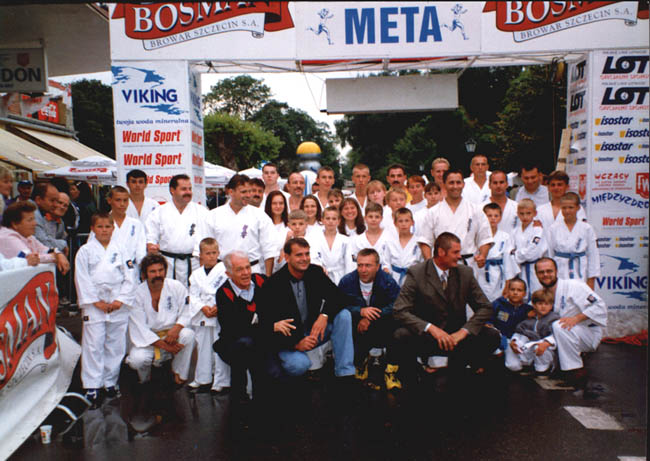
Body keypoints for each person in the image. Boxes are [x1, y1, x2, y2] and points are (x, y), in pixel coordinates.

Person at [392, 233, 500, 386]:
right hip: (428, 337)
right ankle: (414, 379)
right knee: (400, 336)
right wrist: (431, 329)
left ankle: (462, 368)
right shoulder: (417, 272)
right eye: (455, 252)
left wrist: (464, 331)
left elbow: (485, 307)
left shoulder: (465, 273)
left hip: (457, 338)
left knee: (492, 336)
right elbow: (400, 310)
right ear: (441, 252)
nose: (459, 256)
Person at [260, 237, 354, 380]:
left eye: (307, 254)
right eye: (299, 255)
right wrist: (296, 345)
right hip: (289, 340)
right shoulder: (273, 284)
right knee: (300, 365)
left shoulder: (315, 272)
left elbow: (338, 296)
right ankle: (282, 374)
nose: (304, 259)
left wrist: (324, 315)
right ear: (287, 257)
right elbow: (267, 326)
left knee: (344, 315)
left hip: (313, 332)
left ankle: (345, 373)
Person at [75, 212, 136, 406]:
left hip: (117, 302)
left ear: (113, 228)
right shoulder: (85, 251)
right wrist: (95, 301)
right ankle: (92, 385)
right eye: (100, 227)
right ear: (92, 229)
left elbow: (130, 276)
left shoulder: (122, 249)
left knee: (115, 344)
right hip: (95, 303)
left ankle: (110, 382)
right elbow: (82, 278)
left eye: (108, 226)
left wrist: (120, 299)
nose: (104, 230)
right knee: (93, 344)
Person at [125, 253, 196, 385]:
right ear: (144, 274)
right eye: (152, 271)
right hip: (148, 341)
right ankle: (145, 377)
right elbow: (139, 328)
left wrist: (177, 328)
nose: (158, 274)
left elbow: (187, 311)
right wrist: (165, 346)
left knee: (188, 335)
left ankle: (178, 372)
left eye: (160, 270)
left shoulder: (176, 286)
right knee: (137, 360)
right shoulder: (137, 294)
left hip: (171, 336)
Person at [534, 258, 607, 386]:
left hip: (587, 333)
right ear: (536, 274)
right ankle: (555, 367)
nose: (545, 275)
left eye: (549, 271)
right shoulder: (542, 293)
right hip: (565, 334)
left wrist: (576, 318)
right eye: (541, 272)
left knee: (559, 325)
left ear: (556, 271)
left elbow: (599, 306)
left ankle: (575, 370)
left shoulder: (574, 286)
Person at [339, 248, 402, 390]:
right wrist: (360, 311)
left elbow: (397, 305)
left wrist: (371, 317)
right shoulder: (347, 281)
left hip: (382, 322)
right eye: (360, 265)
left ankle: (391, 370)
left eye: (368, 265)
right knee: (345, 322)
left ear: (377, 266)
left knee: (398, 329)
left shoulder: (387, 281)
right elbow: (338, 304)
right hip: (357, 323)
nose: (363, 270)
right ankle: (360, 362)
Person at [214, 251, 267, 403]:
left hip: (261, 339)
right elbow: (235, 329)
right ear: (228, 274)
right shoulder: (223, 293)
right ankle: (240, 397)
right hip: (232, 343)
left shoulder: (261, 281)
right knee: (244, 347)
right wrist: (264, 325)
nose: (245, 273)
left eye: (248, 267)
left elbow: (274, 309)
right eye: (239, 269)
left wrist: (256, 323)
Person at [416, 169, 493, 272]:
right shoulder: (433, 212)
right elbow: (425, 241)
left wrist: (483, 255)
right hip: (442, 265)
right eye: (451, 183)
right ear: (444, 185)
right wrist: (431, 264)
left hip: (468, 263)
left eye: (458, 182)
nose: (455, 186)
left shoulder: (475, 210)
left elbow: (485, 238)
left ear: (463, 184)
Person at [202, 174, 277, 276]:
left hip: (252, 270)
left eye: (249, 191)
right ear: (231, 192)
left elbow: (269, 250)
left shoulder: (260, 216)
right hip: (222, 271)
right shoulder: (213, 216)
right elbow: (204, 248)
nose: (248, 195)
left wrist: (267, 278)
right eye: (243, 192)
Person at [146, 174, 208, 287]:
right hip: (168, 263)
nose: (188, 192)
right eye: (183, 189)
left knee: (193, 293)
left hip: (194, 263)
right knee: (169, 292)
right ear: (172, 190)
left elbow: (208, 239)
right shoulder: (159, 212)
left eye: (189, 189)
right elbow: (151, 237)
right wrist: (151, 245)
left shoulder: (202, 212)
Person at [188, 238, 231, 393]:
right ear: (200, 255)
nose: (211, 256)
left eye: (214, 253)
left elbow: (229, 291)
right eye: (208, 253)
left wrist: (218, 307)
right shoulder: (196, 274)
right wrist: (203, 307)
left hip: (219, 313)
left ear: (219, 253)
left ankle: (221, 381)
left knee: (219, 346)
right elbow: (193, 296)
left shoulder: (225, 271)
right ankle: (202, 378)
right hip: (203, 313)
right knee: (203, 347)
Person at [547, 192, 599, 289]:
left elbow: (593, 255)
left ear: (578, 208)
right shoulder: (553, 228)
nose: (567, 211)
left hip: (580, 269)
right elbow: (550, 254)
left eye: (571, 207)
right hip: (560, 269)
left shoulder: (587, 228)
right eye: (564, 208)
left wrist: (591, 279)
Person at [0, 201, 69, 274]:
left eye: (34, 219)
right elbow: (31, 259)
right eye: (30, 220)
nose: (35, 223)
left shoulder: (28, 236)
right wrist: (54, 257)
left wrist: (58, 254)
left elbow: (46, 250)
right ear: (15, 224)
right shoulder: (7, 237)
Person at [505, 288, 559, 374]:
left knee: (538, 346)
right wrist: (514, 341)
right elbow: (519, 331)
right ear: (534, 305)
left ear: (551, 305)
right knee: (513, 343)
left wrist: (546, 343)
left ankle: (543, 370)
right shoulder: (530, 319)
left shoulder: (553, 318)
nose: (543, 306)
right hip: (530, 348)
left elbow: (555, 336)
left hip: (546, 349)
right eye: (540, 304)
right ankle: (518, 366)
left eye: (546, 304)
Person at [478, 203, 519, 302]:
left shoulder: (505, 237)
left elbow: (508, 261)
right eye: (489, 216)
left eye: (496, 216)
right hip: (480, 272)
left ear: (500, 217)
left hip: (498, 274)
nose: (493, 218)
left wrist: (508, 284)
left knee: (497, 301)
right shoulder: (478, 235)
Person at [512, 199, 548, 300]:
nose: (525, 217)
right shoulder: (515, 231)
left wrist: (516, 254)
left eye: (528, 213)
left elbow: (532, 252)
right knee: (521, 296)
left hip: (534, 268)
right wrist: (516, 254)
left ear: (535, 213)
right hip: (520, 269)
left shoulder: (538, 230)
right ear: (517, 214)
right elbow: (509, 249)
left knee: (537, 294)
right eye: (522, 214)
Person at [488, 278, 531, 354]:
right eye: (512, 289)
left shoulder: (528, 309)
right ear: (507, 291)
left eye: (519, 290)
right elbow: (488, 320)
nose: (515, 293)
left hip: (516, 341)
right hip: (498, 339)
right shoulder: (499, 304)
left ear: (524, 293)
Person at [315, 206, 354, 284]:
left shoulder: (346, 240)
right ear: (322, 220)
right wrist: (319, 267)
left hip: (340, 276)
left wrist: (347, 280)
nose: (331, 221)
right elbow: (313, 257)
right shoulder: (315, 239)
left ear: (338, 221)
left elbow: (349, 262)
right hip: (321, 275)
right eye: (328, 218)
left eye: (334, 219)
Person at [385, 208, 423, 286]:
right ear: (395, 223)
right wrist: (387, 272)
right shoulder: (390, 242)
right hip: (394, 278)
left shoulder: (418, 242)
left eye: (407, 221)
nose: (403, 224)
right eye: (400, 221)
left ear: (412, 222)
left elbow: (422, 263)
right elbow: (386, 262)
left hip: (413, 278)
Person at [33, 182, 69, 257]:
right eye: (52, 200)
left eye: (66, 205)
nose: (56, 205)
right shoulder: (32, 214)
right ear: (38, 199)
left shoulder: (60, 222)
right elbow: (44, 242)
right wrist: (63, 244)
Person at [351, 202, 389, 269]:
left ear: (381, 218)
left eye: (377, 217)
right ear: (365, 218)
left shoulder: (389, 237)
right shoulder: (357, 240)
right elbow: (354, 261)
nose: (373, 220)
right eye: (370, 217)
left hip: (385, 272)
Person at [483, 170, 519, 236]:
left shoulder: (516, 207)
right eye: (495, 183)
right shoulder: (481, 208)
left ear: (507, 184)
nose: (498, 186)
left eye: (501, 182)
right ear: (489, 185)